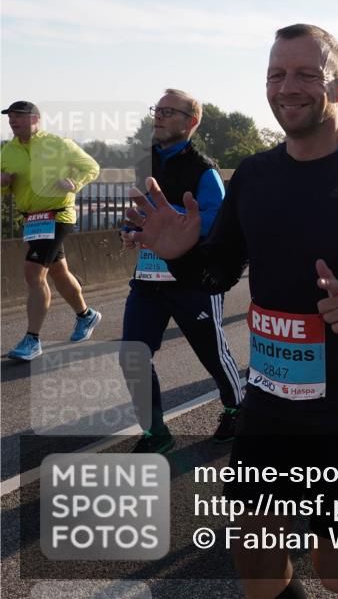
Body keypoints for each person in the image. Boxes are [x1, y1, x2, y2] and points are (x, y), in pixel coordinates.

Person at [125, 24, 338, 599]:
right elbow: (219, 274)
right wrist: (180, 256)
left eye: (305, 74)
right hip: (273, 399)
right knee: (253, 554)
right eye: (276, 74)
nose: (287, 87)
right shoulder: (254, 175)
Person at [119, 89, 243, 454]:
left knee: (212, 353)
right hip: (148, 280)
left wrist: (173, 221)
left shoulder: (204, 171)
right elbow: (136, 214)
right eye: (157, 109)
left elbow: (219, 221)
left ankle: (236, 406)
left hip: (192, 280)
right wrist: (128, 232)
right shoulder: (145, 164)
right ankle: (156, 431)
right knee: (132, 355)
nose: (158, 115)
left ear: (191, 122)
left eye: (168, 111)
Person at [1, 101, 102, 360]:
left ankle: (32, 340)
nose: (13, 121)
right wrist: (3, 183)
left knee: (33, 273)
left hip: (58, 215)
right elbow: (4, 188)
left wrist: (74, 183)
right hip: (32, 220)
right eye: (10, 117)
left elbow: (91, 167)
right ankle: (86, 315)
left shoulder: (59, 144)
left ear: (35, 118)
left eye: (19, 116)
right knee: (58, 271)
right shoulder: (7, 151)